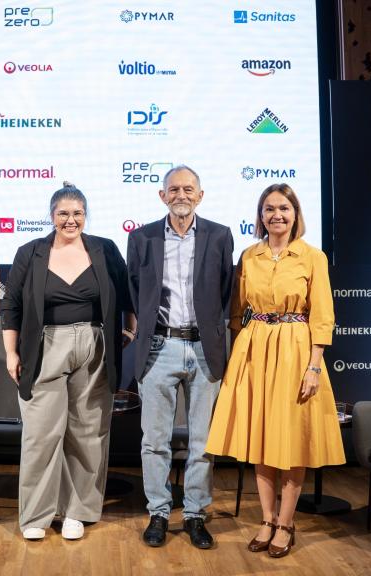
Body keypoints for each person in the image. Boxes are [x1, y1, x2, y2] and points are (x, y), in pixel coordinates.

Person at [206, 183, 345, 558]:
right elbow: (236, 313)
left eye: (284, 208)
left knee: (292, 440)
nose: (276, 215)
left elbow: (323, 317)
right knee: (261, 439)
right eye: (269, 209)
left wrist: (314, 366)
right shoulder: (249, 256)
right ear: (260, 215)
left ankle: (286, 523)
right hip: (255, 348)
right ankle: (266, 519)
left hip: (297, 350)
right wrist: (239, 356)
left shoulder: (313, 258)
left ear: (296, 213)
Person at [1, 182, 136, 541]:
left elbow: (126, 294)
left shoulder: (105, 249)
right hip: (44, 346)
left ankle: (78, 511)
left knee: (88, 433)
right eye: (63, 213)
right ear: (51, 216)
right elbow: (11, 306)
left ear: (85, 216)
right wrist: (11, 352)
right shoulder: (30, 252)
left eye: (77, 213)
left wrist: (131, 330)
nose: (70, 220)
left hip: (94, 346)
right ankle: (36, 515)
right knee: (41, 435)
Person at [127, 165, 233, 549]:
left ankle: (194, 515)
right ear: (162, 196)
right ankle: (158, 511)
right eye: (174, 189)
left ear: (200, 195)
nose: (181, 195)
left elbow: (224, 291)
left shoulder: (220, 236)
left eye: (189, 189)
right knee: (154, 440)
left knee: (203, 442)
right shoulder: (142, 238)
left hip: (205, 349)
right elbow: (135, 289)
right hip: (159, 347)